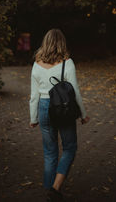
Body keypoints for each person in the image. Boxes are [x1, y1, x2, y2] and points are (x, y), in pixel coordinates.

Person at [29, 29, 90, 201]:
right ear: (62, 43)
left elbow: (34, 95)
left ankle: (49, 191)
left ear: (45, 42)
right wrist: (83, 114)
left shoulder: (36, 64)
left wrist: (33, 118)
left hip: (43, 107)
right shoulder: (67, 63)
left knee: (49, 152)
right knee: (70, 147)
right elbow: (75, 92)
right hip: (63, 108)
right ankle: (55, 188)